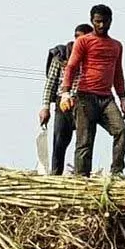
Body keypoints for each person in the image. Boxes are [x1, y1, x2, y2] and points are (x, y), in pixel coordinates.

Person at [59, 4, 125, 177]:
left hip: (106, 98)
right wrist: (66, 93)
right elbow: (72, 66)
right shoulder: (83, 41)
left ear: (110, 21)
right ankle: (82, 178)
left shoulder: (116, 46)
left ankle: (117, 171)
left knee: (121, 131)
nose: (101, 25)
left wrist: (123, 99)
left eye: (105, 22)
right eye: (97, 22)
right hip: (85, 96)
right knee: (85, 141)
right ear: (92, 21)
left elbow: (117, 72)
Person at [38, 23, 93, 175]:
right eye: (77, 38)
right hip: (63, 104)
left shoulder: (93, 59)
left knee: (83, 143)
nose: (79, 42)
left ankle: (80, 176)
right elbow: (50, 83)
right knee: (59, 142)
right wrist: (45, 107)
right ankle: (55, 175)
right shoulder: (61, 55)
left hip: (83, 104)